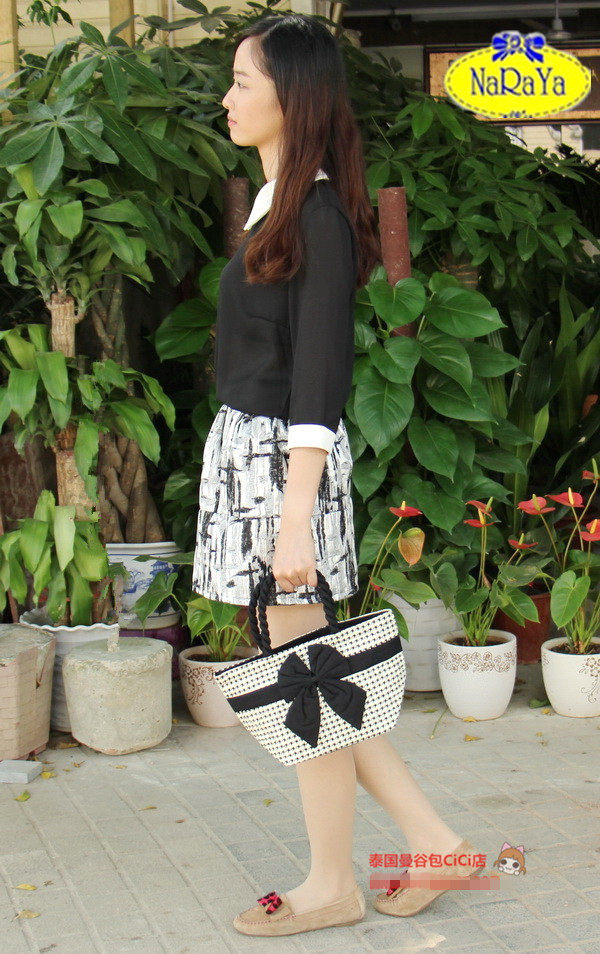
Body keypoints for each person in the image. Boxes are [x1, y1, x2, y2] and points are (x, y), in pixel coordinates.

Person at [192, 13, 484, 938]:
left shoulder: (313, 214)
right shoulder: (278, 203)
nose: (227, 97)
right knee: (314, 680)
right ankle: (434, 845)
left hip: (285, 472)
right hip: (257, 466)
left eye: (243, 81)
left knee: (306, 683)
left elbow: (319, 379)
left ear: (294, 96)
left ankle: (331, 886)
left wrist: (293, 519)